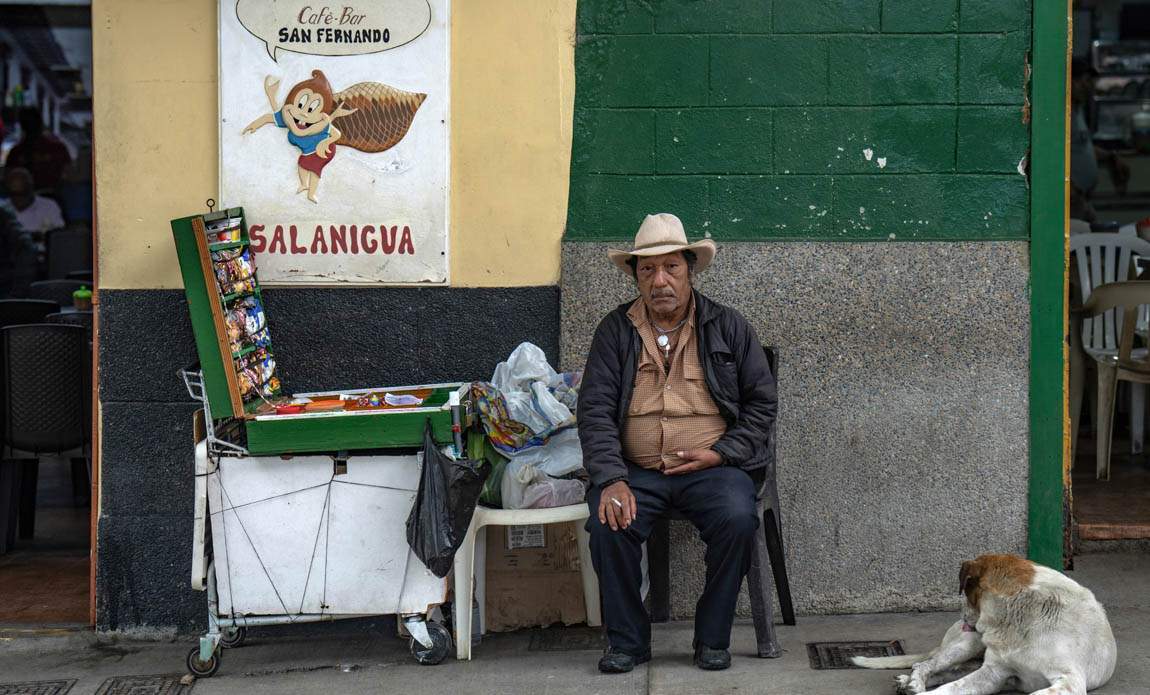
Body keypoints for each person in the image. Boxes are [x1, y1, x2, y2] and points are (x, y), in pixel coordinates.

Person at [577, 213, 776, 674]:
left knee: (737, 517)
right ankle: (628, 642)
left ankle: (711, 638)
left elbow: (762, 407)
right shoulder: (615, 331)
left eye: (671, 268)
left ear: (690, 271)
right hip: (636, 471)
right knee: (609, 524)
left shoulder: (727, 326)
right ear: (635, 276)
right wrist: (609, 478)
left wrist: (723, 453)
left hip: (713, 468)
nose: (660, 280)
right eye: (647, 270)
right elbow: (595, 411)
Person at [1071, 58, 1130, 222]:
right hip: (1069, 197)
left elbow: (1081, 146)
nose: (1089, 87)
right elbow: (1049, 153)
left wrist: (1111, 156)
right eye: (1085, 81)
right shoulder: (1060, 114)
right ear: (1071, 82)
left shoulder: (1078, 110)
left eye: (1091, 82)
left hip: (1081, 198)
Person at [3, 167, 64, 235]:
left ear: (31, 188)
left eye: (23, 193)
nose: (19, 198)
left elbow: (59, 237)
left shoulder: (49, 206)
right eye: (14, 194)